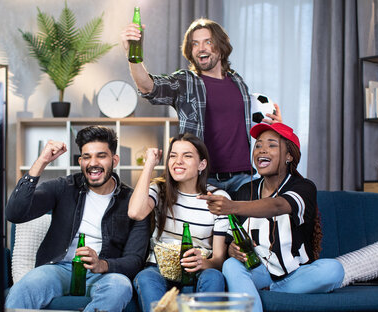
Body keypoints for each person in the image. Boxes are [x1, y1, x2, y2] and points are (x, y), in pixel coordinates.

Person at [121, 17, 282, 192]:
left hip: (243, 178)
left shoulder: (238, 82)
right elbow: (148, 86)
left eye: (208, 42)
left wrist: (275, 126)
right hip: (203, 179)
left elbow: (246, 124)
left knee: (251, 219)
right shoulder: (186, 81)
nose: (201, 48)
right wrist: (133, 55)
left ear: (221, 47)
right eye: (195, 44)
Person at [198, 123, 344, 312]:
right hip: (257, 271)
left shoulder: (304, 187)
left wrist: (230, 206)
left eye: (272, 145)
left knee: (334, 269)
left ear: (289, 156)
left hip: (296, 276)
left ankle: (267, 293)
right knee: (230, 265)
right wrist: (232, 249)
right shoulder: (245, 190)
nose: (262, 150)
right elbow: (230, 240)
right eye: (258, 145)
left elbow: (278, 205)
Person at [5, 126, 150, 312]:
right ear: (80, 161)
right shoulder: (64, 186)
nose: (93, 163)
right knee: (25, 287)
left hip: (105, 273)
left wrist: (101, 264)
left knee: (120, 286)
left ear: (114, 160)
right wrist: (41, 162)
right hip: (59, 269)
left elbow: (135, 259)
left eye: (101, 156)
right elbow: (14, 213)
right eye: (87, 157)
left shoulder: (133, 201)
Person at [128, 133, 227, 312]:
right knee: (145, 278)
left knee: (214, 277)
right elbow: (135, 212)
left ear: (202, 165)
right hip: (158, 267)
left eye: (187, 156)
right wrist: (149, 164)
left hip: (198, 269)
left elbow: (219, 259)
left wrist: (203, 263)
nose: (178, 161)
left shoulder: (218, 198)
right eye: (173, 156)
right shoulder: (159, 190)